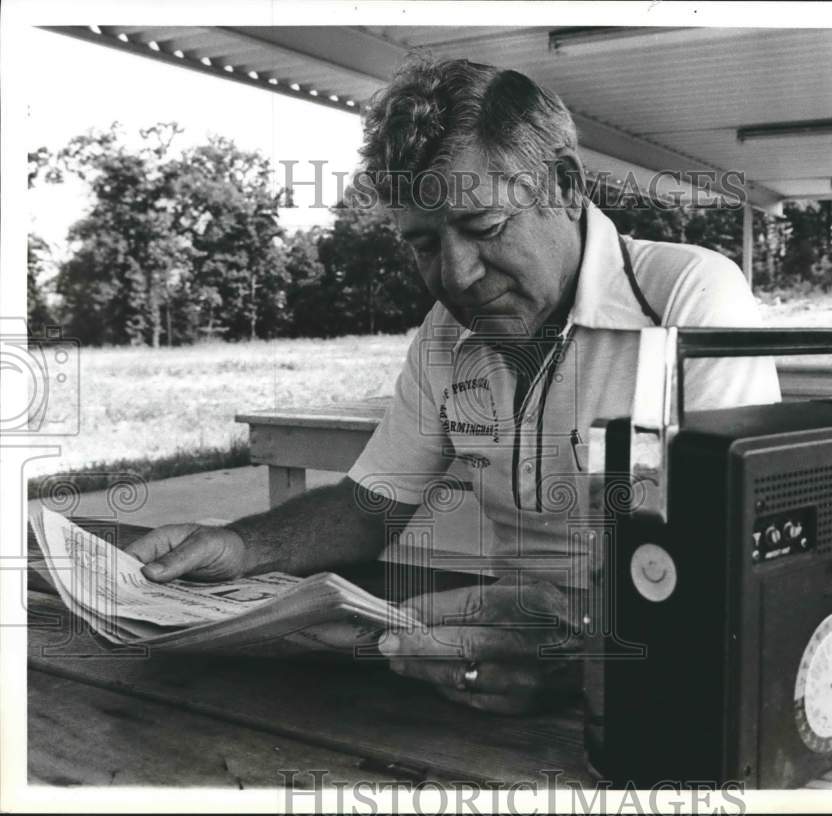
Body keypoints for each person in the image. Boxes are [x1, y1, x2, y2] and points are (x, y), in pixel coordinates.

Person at [126, 57, 781, 714]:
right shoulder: (445, 336)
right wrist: (241, 545)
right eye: (423, 246)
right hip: (497, 671)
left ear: (566, 186)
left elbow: (744, 570)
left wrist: (578, 664)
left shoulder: (690, 298)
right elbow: (369, 506)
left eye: (483, 228)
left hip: (664, 692)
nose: (459, 276)